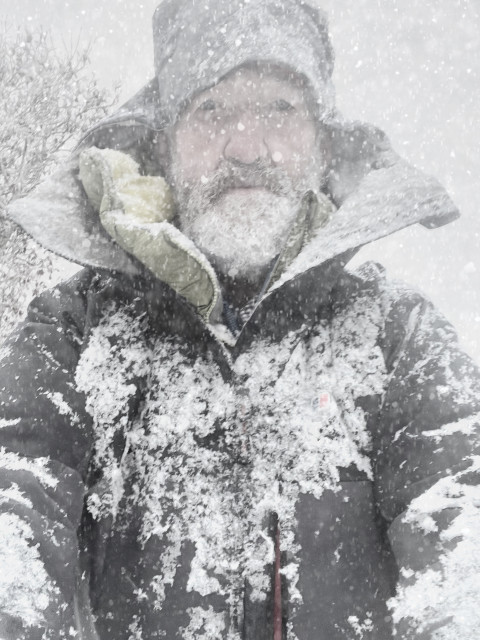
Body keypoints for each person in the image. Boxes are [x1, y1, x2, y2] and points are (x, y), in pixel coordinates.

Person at [2, 1, 480, 639]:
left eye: (279, 110)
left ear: (322, 140)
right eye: (210, 111)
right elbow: (15, 506)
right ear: (164, 144)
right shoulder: (75, 331)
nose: (245, 146)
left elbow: (462, 526)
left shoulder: (398, 334)